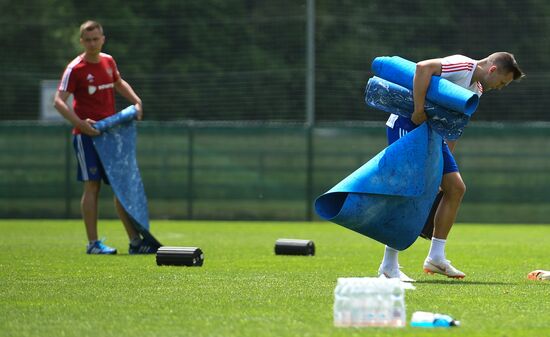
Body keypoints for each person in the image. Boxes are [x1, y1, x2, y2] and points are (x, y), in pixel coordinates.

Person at [378, 52, 524, 281]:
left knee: (455, 188)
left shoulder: (477, 89)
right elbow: (423, 68)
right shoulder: (463, 65)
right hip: (408, 123)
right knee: (410, 191)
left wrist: (440, 169)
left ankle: (436, 257)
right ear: (493, 69)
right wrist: (418, 110)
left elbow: (455, 125)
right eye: (503, 82)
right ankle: (388, 265)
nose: (501, 87)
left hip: (434, 135)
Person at [54, 20, 155, 255]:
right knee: (93, 187)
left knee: (120, 187)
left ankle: (135, 242)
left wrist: (136, 101)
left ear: (102, 39)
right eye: (87, 40)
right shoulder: (75, 68)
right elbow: (59, 101)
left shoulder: (108, 61)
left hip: (110, 136)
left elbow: (118, 82)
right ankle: (93, 244)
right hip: (86, 136)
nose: (92, 43)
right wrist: (80, 124)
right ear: (82, 41)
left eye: (95, 39)